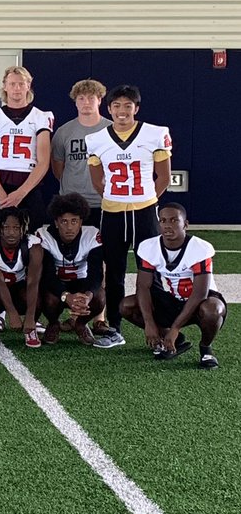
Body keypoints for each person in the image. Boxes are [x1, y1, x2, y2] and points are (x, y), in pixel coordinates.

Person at [85, 84, 172, 349]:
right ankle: (115, 328)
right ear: (109, 108)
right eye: (116, 106)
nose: (122, 111)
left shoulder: (155, 134)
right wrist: (117, 198)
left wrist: (145, 200)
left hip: (145, 212)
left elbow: (164, 177)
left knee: (152, 271)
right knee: (114, 273)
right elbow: (98, 182)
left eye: (127, 105)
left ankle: (162, 328)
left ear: (136, 108)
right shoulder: (96, 139)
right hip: (113, 213)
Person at [121, 202, 226, 370]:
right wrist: (149, 323)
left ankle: (206, 348)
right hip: (174, 299)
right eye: (163, 220)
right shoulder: (150, 247)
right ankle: (170, 339)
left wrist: (175, 327)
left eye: (174, 220)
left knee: (213, 309)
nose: (167, 225)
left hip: (201, 303)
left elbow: (200, 293)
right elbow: (143, 286)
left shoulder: (199, 248)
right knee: (127, 305)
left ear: (185, 224)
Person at [23, 194, 105, 348]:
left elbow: (96, 273)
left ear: (81, 221)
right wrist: (66, 296)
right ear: (56, 222)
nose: (69, 227)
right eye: (64, 221)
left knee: (99, 297)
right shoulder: (44, 235)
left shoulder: (92, 235)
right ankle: (53, 323)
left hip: (81, 282)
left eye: (74, 221)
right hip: (55, 283)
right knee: (48, 299)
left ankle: (80, 324)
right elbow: (46, 275)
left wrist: (87, 297)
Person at [0, 65, 53, 232]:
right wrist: (1, 196)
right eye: (12, 84)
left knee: (32, 237)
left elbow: (43, 161)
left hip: (29, 184)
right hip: (0, 183)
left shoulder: (41, 117)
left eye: (21, 83)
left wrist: (21, 193)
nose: (17, 88)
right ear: (5, 86)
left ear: (28, 85)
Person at [50, 79, 109, 229]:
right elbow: (58, 168)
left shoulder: (112, 129)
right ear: (75, 102)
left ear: (99, 100)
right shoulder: (64, 132)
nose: (86, 102)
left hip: (105, 201)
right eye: (81, 98)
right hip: (71, 203)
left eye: (91, 98)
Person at [0, 208, 39, 348]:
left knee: (37, 294)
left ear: (22, 229)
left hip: (18, 287)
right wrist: (11, 312)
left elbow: (33, 280)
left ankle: (31, 327)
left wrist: (30, 316)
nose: (11, 232)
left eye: (16, 228)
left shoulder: (33, 244)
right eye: (6, 227)